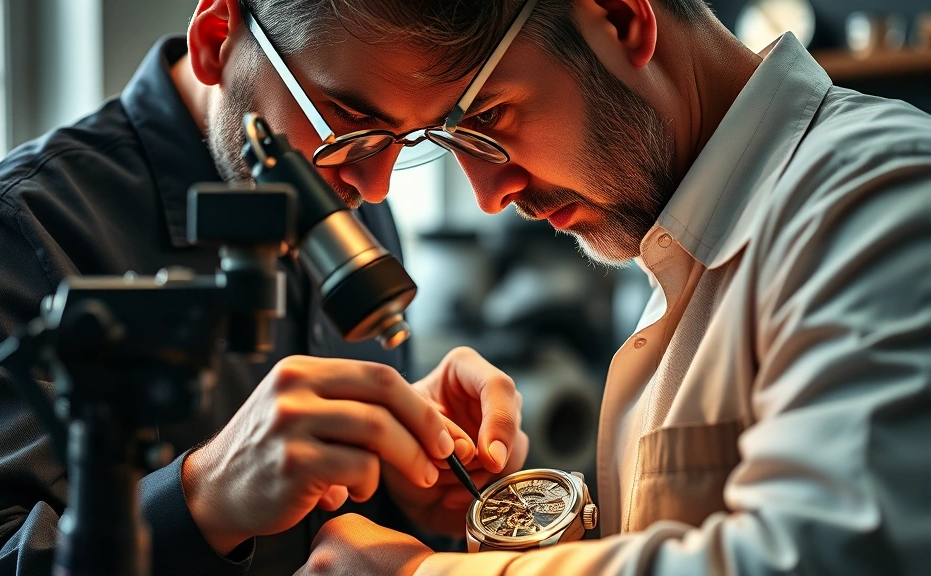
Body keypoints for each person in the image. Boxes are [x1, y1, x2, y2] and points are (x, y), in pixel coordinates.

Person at [281, 0, 929, 575]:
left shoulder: (879, 194)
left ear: (621, 20)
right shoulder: (694, 242)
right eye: (452, 143)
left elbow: (831, 551)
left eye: (491, 116)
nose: (487, 197)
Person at [0, 0, 530, 574]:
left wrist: (412, 488)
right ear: (214, 40)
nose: (376, 185)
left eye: (408, 139)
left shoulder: (352, 203)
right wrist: (204, 497)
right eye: (349, 120)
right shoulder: (16, 226)